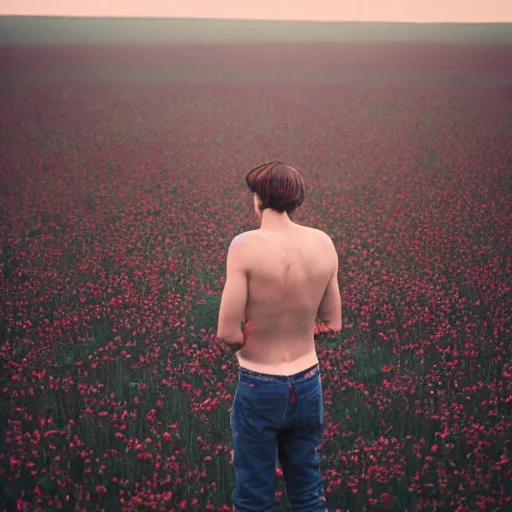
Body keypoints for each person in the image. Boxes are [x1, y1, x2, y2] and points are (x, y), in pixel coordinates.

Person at [216, 161, 342, 512]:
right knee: (307, 491)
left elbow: (227, 331)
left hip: (260, 385)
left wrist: (245, 335)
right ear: (296, 200)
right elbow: (332, 322)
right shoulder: (322, 242)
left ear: (258, 199)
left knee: (255, 495)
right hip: (307, 383)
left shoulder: (245, 245)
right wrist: (305, 324)